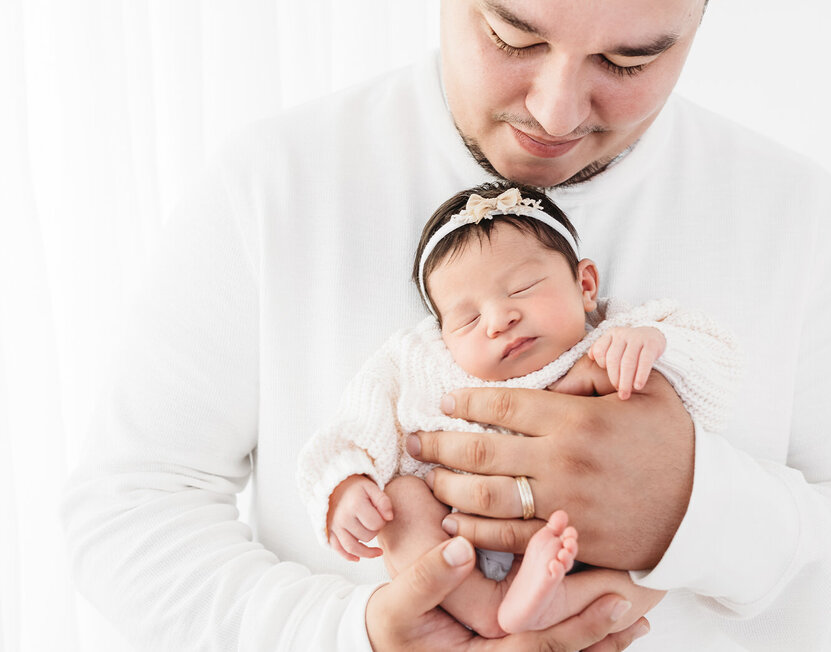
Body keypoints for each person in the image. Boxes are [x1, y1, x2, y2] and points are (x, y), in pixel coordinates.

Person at [61, 1, 831, 650]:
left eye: (631, 60)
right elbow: (125, 514)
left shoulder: (792, 215)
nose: (556, 112)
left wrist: (692, 506)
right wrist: (354, 635)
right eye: (513, 34)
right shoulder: (276, 186)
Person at [298, 182, 739, 637]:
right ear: (440, 332)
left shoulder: (613, 331)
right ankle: (487, 606)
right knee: (402, 502)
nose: (498, 320)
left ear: (585, 286)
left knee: (666, 556)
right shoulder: (421, 360)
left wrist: (654, 344)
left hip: (595, 540)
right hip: (461, 533)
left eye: (523, 289)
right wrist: (345, 482)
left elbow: (717, 363)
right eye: (467, 319)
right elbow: (362, 412)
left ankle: (556, 603)